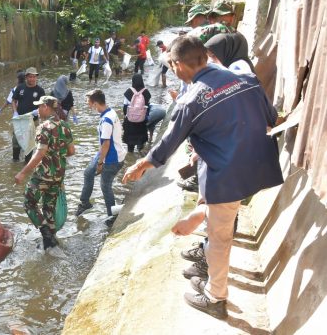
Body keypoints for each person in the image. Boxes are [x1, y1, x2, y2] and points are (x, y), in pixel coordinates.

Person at [122, 36, 283, 319]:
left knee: (219, 238)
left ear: (177, 65)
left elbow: (168, 144)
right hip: (260, 165)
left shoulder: (191, 99)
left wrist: (140, 167)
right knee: (220, 214)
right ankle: (202, 215)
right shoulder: (243, 77)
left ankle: (215, 297)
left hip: (227, 175)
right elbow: (270, 116)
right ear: (204, 57)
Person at [14, 96, 75, 250]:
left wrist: (22, 173)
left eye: (40, 106)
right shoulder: (65, 126)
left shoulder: (44, 127)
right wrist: (56, 157)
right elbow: (71, 151)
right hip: (58, 175)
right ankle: (51, 242)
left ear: (47, 108)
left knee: (29, 202)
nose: (38, 110)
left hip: (43, 175)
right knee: (49, 206)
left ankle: (46, 233)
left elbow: (40, 154)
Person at [77, 89, 126, 224]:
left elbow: (106, 144)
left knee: (105, 185)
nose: (88, 105)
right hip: (108, 153)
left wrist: (100, 163)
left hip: (112, 158)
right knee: (88, 173)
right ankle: (85, 202)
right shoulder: (110, 112)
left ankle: (112, 215)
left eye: (89, 103)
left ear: (96, 104)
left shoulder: (106, 119)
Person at [12, 67, 46, 162]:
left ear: (36, 77)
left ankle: (27, 163)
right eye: (30, 77)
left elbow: (43, 106)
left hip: (33, 120)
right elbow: (14, 101)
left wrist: (38, 112)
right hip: (19, 119)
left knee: (30, 143)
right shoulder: (20, 87)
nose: (32, 79)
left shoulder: (40, 91)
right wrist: (15, 112)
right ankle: (15, 161)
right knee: (16, 141)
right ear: (26, 77)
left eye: (34, 77)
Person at [122, 74, 151, 153]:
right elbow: (148, 106)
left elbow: (125, 107)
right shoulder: (146, 92)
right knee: (141, 141)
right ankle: (140, 152)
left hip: (130, 121)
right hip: (141, 121)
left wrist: (126, 116)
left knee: (130, 144)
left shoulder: (128, 92)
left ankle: (130, 156)